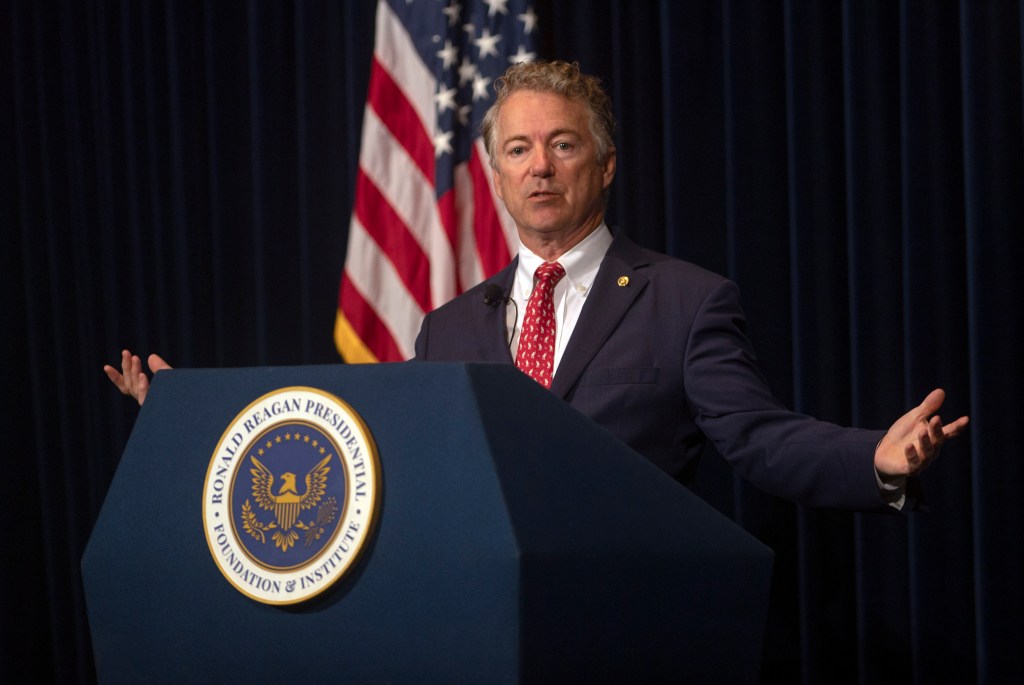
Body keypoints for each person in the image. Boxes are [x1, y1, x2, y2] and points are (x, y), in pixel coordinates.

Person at [107, 60, 968, 511]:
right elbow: (369, 452)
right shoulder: (447, 328)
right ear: (492, 173)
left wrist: (876, 460)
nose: (540, 166)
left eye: (563, 144)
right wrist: (198, 423)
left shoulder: (685, 301)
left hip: (624, 624)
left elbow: (759, 439)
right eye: (518, 150)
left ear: (605, 165)